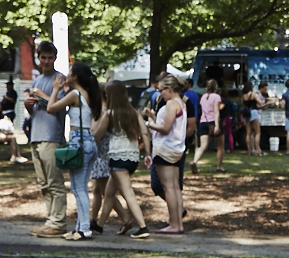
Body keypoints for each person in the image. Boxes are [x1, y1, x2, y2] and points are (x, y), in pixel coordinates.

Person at [37, 61, 102, 240]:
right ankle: (81, 227)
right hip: (89, 141)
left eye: (70, 72)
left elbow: (51, 108)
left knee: (78, 187)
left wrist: (55, 89)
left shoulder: (75, 94)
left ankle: (84, 229)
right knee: (79, 186)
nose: (66, 74)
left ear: (75, 77)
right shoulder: (87, 94)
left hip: (78, 141)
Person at [94, 80, 152, 238]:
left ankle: (143, 227)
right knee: (109, 193)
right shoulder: (134, 113)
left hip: (117, 157)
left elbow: (97, 136)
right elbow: (145, 133)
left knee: (128, 192)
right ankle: (99, 226)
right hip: (132, 158)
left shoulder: (109, 114)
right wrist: (147, 153)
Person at [23, 42, 68, 238]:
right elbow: (34, 112)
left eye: (50, 57)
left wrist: (42, 95)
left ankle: (59, 222)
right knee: (43, 183)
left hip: (52, 136)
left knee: (55, 182)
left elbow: (62, 106)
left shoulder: (60, 80)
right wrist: (28, 105)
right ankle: (51, 221)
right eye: (43, 57)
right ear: (38, 58)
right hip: (36, 135)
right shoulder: (37, 80)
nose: (46, 61)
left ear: (55, 58)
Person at [146, 75, 187, 234]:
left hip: (165, 149)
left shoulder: (171, 104)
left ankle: (174, 224)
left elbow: (165, 128)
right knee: (175, 187)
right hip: (176, 148)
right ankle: (178, 223)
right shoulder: (181, 103)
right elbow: (167, 124)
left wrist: (149, 124)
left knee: (168, 188)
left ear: (169, 89)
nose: (160, 93)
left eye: (161, 90)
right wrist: (153, 118)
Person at [191, 78, 222, 172]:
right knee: (220, 146)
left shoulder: (203, 97)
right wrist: (217, 125)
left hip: (203, 122)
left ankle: (195, 162)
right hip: (213, 122)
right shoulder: (216, 97)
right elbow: (216, 111)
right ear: (215, 87)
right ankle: (219, 167)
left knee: (203, 146)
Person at [240, 82, 262, 155]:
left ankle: (249, 151)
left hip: (246, 114)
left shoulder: (243, 96)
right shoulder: (253, 94)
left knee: (248, 133)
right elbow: (260, 102)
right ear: (251, 87)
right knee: (257, 133)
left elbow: (242, 104)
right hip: (254, 112)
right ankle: (257, 150)